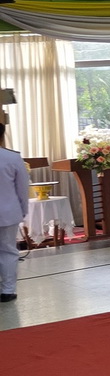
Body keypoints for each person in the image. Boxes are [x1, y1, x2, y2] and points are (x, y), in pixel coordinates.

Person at [0, 121, 28, 301]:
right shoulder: (12, 158)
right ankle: (8, 290)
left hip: (8, 212)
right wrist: (23, 210)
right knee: (8, 250)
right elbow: (22, 188)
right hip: (8, 212)